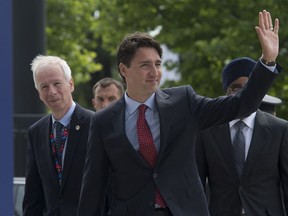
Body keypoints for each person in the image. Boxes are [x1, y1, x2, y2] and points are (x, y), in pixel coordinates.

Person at [78, 10, 280, 216]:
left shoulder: (183, 101)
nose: (154, 72)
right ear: (123, 69)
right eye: (144, 65)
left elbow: (240, 105)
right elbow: (93, 187)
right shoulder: (103, 121)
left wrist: (267, 62)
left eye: (157, 64)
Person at [196, 57, 288, 216]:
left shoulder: (279, 129)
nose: (243, 93)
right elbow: (196, 185)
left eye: (249, 87)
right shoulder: (206, 131)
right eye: (235, 88)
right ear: (226, 91)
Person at [23, 55, 93, 216]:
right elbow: (33, 193)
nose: (52, 92)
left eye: (57, 83)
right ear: (39, 93)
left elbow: (111, 185)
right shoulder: (36, 132)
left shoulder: (95, 125)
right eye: (44, 87)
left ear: (71, 84)